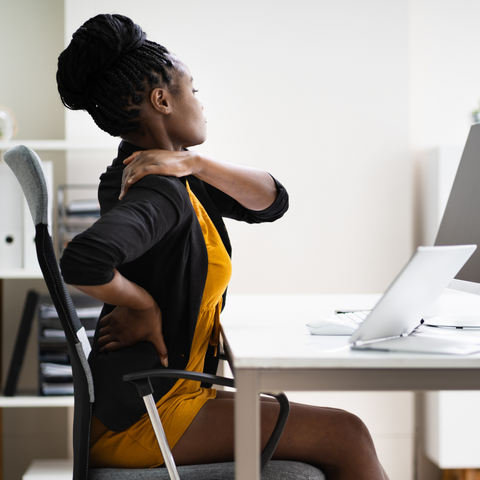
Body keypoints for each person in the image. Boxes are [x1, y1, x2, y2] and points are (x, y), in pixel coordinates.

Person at [56, 14, 389, 480]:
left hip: (167, 391)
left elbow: (272, 201)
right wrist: (143, 305)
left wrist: (195, 161)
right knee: (348, 435)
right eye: (194, 90)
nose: (200, 103)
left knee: (337, 435)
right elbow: (82, 259)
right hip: (148, 414)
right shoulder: (155, 190)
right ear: (162, 100)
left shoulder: (171, 175)